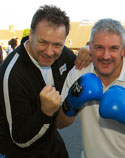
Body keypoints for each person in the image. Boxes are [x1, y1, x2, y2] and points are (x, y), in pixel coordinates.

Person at [56, 18, 125, 158]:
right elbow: (60, 123)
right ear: (90, 47)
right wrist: (70, 104)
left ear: (123, 51)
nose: (106, 56)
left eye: (113, 48)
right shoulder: (79, 72)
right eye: (99, 47)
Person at [0, 5, 91, 158]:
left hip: (51, 143)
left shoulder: (63, 55)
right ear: (31, 35)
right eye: (43, 42)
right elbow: (20, 139)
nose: (49, 52)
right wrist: (45, 113)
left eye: (57, 45)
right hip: (19, 151)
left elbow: (81, 66)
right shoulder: (12, 75)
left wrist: (88, 53)